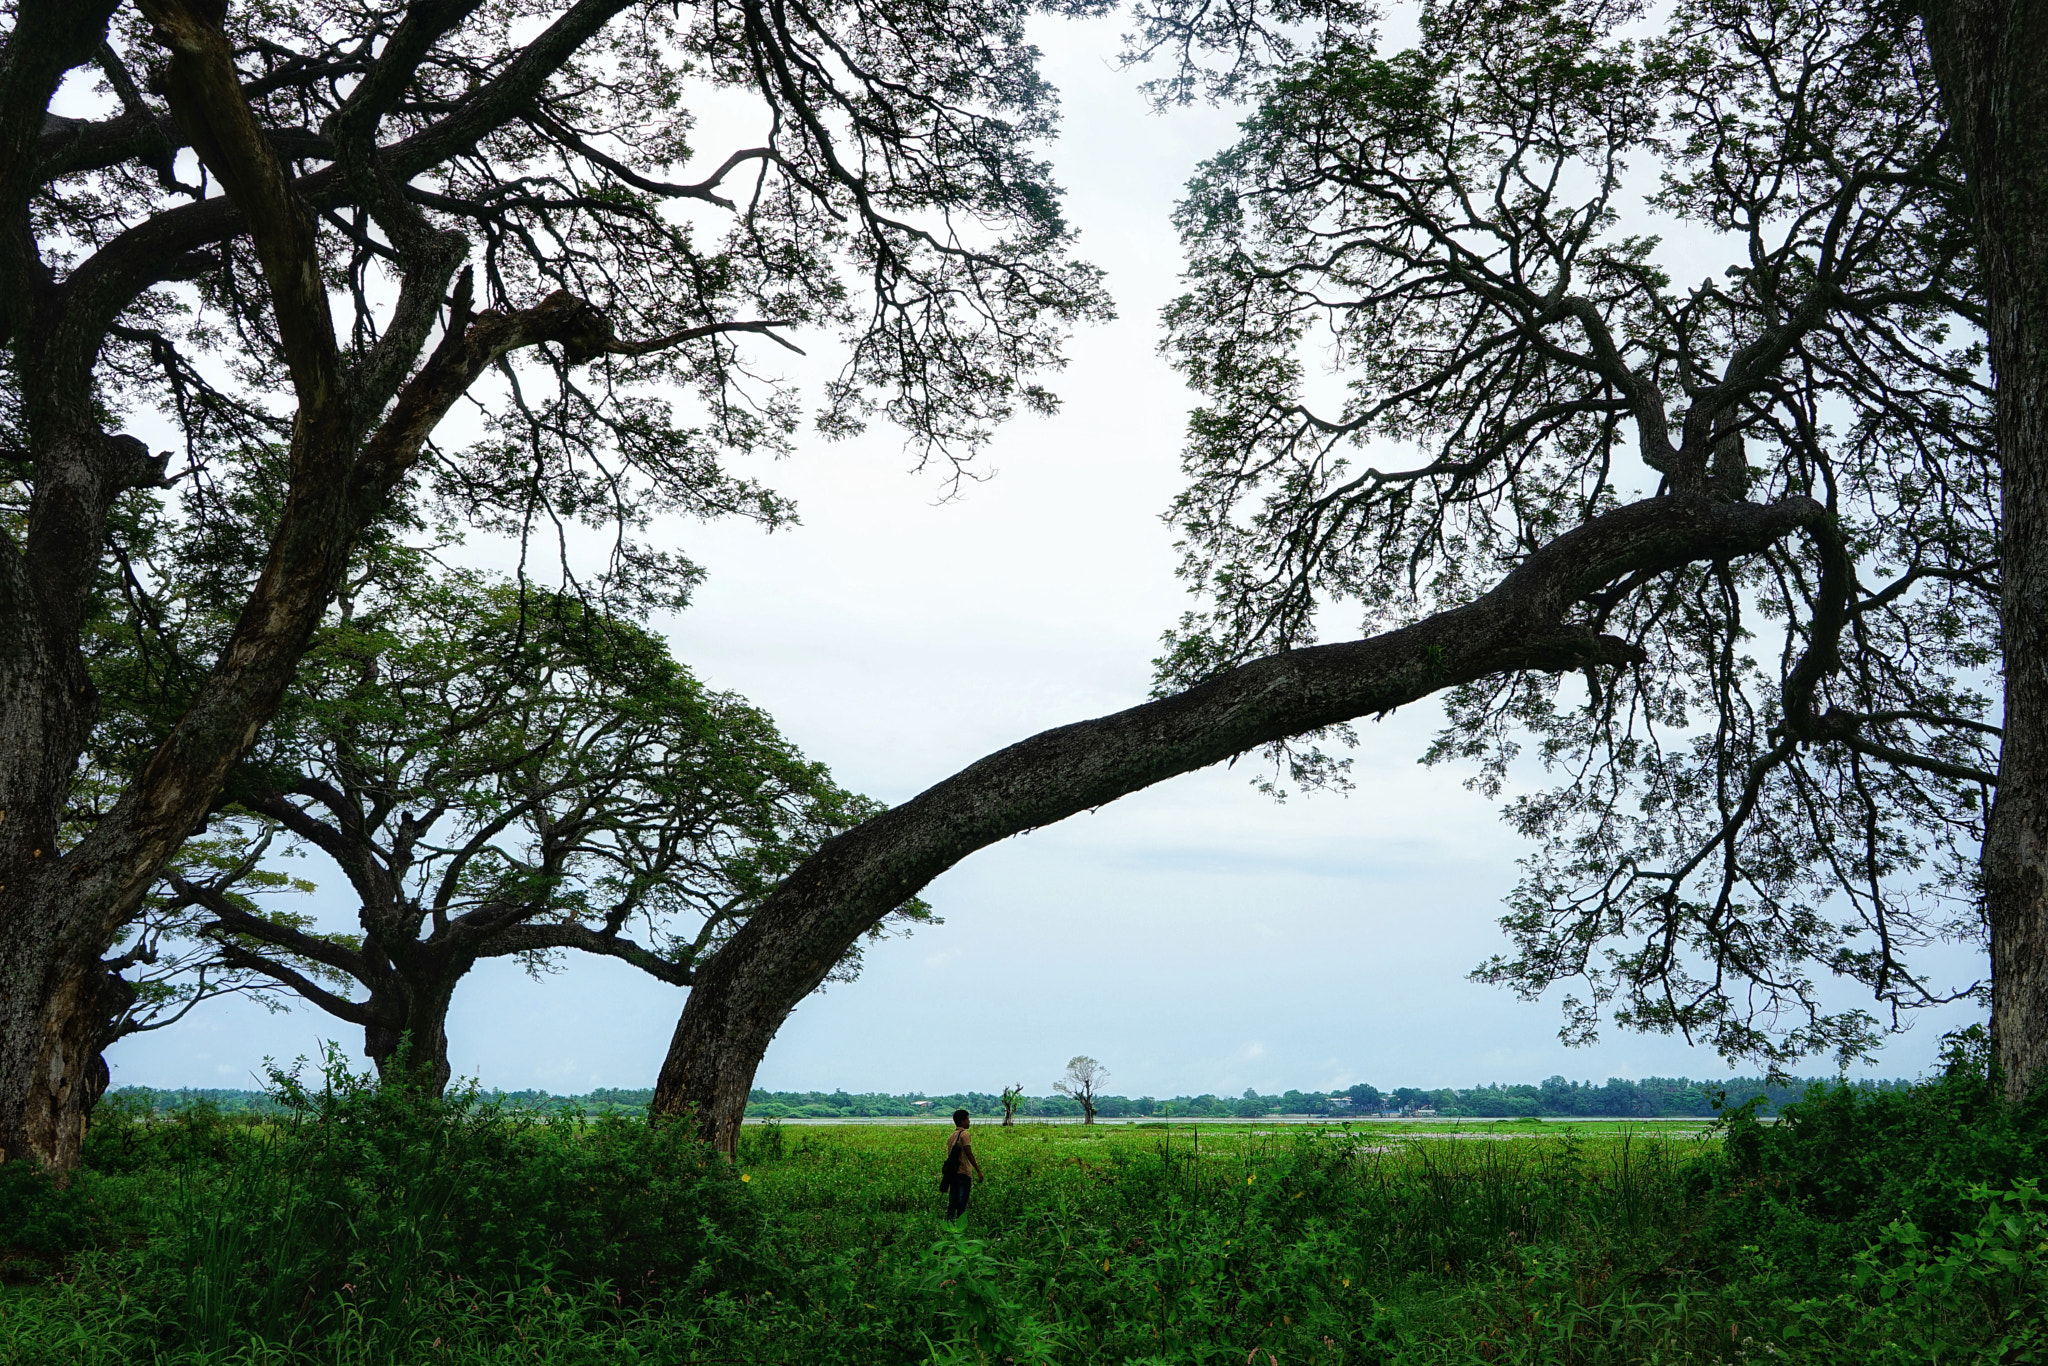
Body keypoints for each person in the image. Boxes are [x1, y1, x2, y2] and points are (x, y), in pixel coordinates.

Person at [941, 1108, 984, 1221]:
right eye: (967, 1119)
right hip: (964, 1172)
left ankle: (950, 1222)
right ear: (962, 1121)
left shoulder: (951, 1136)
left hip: (953, 1173)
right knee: (962, 1201)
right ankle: (960, 1224)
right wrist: (978, 1170)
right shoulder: (965, 1134)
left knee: (953, 1200)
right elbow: (968, 1153)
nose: (969, 1122)